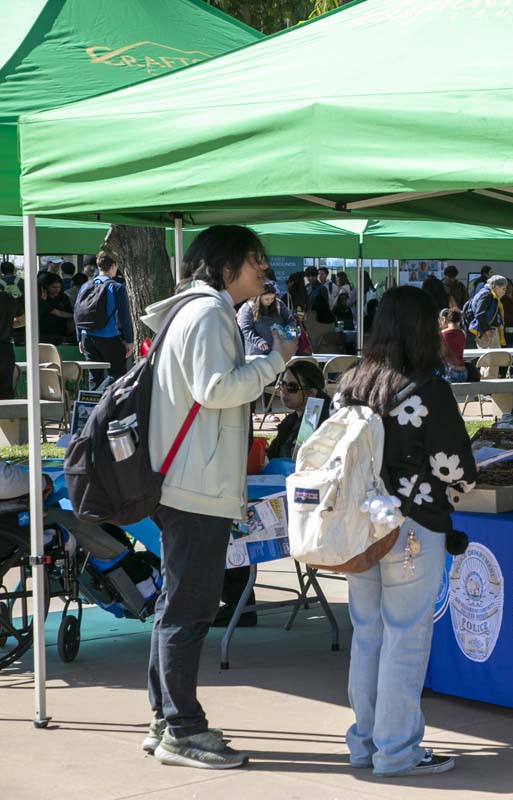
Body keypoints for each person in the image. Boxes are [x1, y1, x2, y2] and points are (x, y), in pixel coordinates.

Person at [140, 225, 298, 769]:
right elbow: (215, 389)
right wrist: (275, 360)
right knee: (190, 609)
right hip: (195, 487)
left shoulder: (194, 310)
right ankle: (182, 730)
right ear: (226, 265)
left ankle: (165, 718)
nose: (262, 269)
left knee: (176, 606)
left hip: (184, 481)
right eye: (255, 259)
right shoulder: (208, 313)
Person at [337, 286, 476, 778]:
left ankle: (367, 741)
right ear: (422, 330)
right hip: (413, 527)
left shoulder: (352, 382)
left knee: (369, 633)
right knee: (406, 637)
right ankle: (396, 752)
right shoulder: (426, 388)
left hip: (359, 527)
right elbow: (457, 467)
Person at [76, 253, 134, 390]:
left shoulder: (85, 286)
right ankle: (101, 401)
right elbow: (124, 317)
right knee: (117, 374)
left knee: (94, 376)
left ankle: (90, 408)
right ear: (113, 266)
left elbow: (77, 313)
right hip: (109, 336)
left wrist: (79, 337)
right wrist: (129, 340)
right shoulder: (117, 287)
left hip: (87, 336)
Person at [265, 360, 330, 461]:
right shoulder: (290, 421)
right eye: (283, 384)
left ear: (312, 393)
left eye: (292, 387)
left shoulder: (323, 422)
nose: (284, 392)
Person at [237, 282, 296, 357]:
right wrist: (258, 341)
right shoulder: (249, 307)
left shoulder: (278, 304)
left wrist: (289, 329)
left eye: (272, 299)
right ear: (259, 297)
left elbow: (291, 320)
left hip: (278, 349)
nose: (270, 301)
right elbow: (246, 329)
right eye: (267, 299)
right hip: (257, 351)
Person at [466, 274, 506, 349]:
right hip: (486, 332)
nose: (504, 292)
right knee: (493, 359)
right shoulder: (487, 295)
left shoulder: (489, 294)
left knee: (492, 359)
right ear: (496, 287)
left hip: (486, 331)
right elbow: (479, 314)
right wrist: (487, 330)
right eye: (503, 289)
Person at [37, 272, 74, 345]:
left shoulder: (64, 297)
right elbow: (58, 313)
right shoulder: (41, 300)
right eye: (54, 287)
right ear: (46, 286)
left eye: (59, 287)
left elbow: (68, 313)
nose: (57, 290)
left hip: (60, 334)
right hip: (43, 334)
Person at [439, 308, 468, 382]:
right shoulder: (463, 334)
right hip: (464, 372)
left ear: (447, 319)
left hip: (450, 372)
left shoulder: (443, 334)